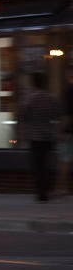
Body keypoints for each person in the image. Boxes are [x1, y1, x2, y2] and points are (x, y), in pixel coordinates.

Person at [19, 72, 62, 202]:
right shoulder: (51, 98)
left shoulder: (29, 98)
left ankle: (40, 193)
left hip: (34, 136)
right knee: (47, 164)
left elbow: (23, 116)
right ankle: (47, 190)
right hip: (48, 136)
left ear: (33, 83)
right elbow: (57, 116)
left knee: (37, 166)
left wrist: (22, 132)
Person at [55, 67, 73, 196]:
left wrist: (61, 130)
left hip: (69, 132)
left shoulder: (69, 90)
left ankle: (62, 188)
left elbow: (68, 114)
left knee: (65, 160)